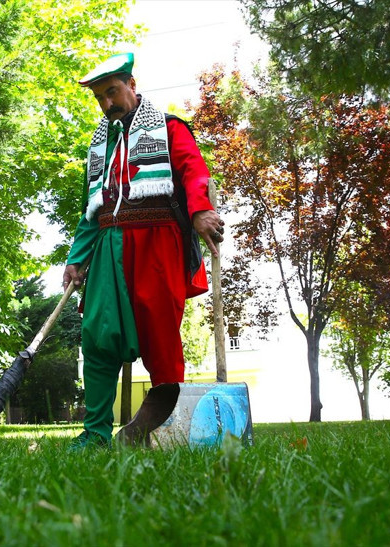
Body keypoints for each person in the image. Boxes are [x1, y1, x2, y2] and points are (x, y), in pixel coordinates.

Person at [63, 53, 224, 449]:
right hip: (106, 248)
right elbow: (93, 208)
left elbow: (193, 169)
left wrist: (202, 210)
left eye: (112, 92)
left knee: (159, 338)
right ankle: (95, 434)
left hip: (157, 246)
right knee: (96, 336)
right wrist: (75, 257)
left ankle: (145, 428)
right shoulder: (100, 145)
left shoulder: (170, 127)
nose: (107, 104)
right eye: (100, 97)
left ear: (132, 86)